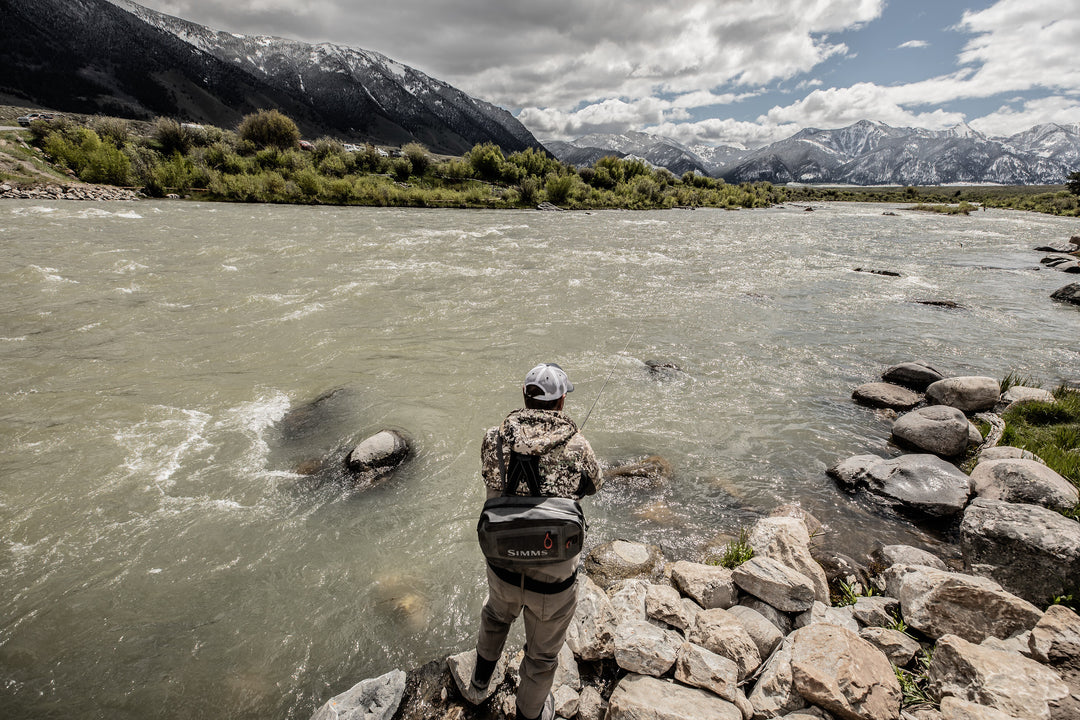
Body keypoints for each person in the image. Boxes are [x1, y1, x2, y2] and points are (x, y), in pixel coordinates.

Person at [469, 362, 602, 720]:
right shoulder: (578, 445)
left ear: (525, 397)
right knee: (541, 657)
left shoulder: (492, 438)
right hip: (553, 579)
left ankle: (480, 680)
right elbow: (594, 485)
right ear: (561, 402)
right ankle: (529, 714)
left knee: (495, 616)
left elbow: (490, 475)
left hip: (502, 563)